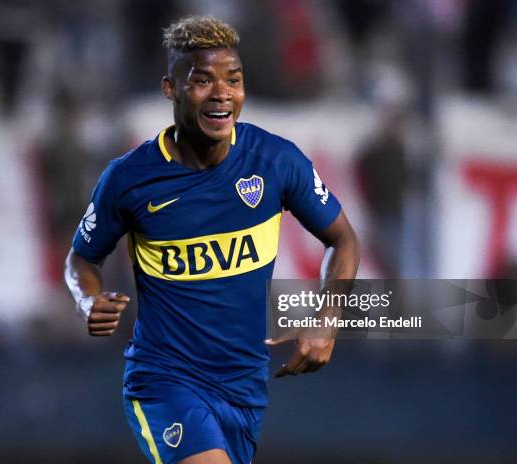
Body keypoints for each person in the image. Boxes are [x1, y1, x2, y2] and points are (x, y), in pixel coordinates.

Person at [65, 15, 359, 464]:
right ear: (171, 88)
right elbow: (81, 260)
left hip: (244, 389)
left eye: (233, 80)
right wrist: (89, 299)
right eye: (202, 80)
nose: (222, 92)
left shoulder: (275, 161)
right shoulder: (129, 179)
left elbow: (343, 240)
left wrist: (327, 318)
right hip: (165, 381)